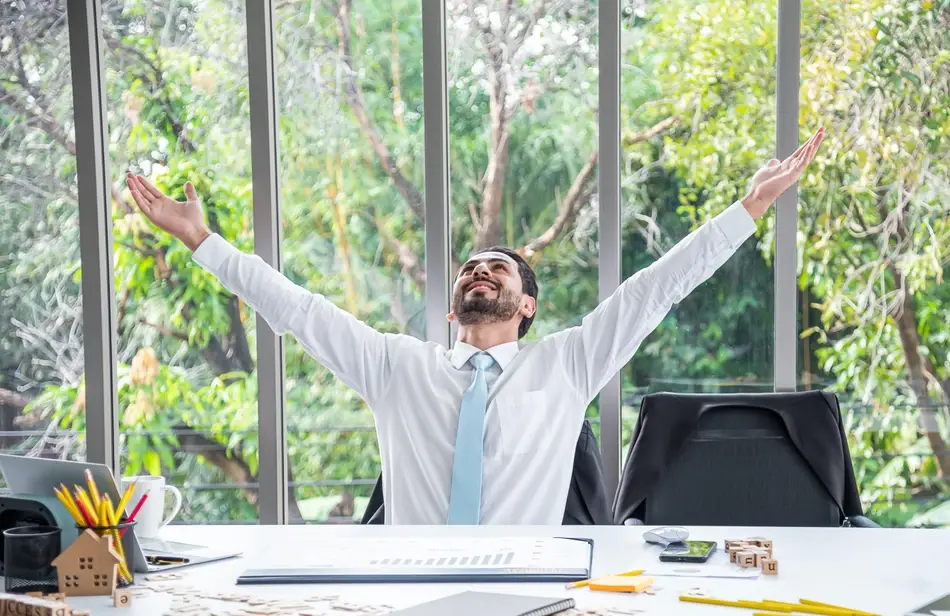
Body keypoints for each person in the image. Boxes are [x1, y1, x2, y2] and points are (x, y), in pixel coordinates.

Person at [126, 127, 825, 525]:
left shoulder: (567, 364)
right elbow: (297, 311)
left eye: (499, 268)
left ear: (526, 306)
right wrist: (203, 242)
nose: (479, 271)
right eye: (470, 268)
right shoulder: (397, 367)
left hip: (531, 593)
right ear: (453, 303)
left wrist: (748, 210)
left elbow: (658, 287)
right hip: (406, 591)